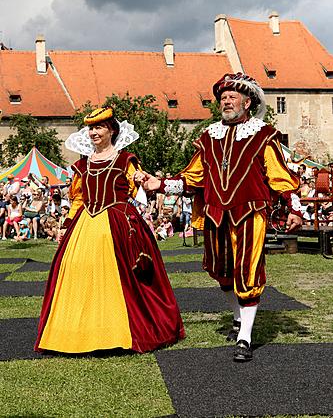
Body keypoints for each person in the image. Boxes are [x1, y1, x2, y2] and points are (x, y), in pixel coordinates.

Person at [137, 73, 302, 362]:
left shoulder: (263, 134)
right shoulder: (208, 136)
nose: (225, 101)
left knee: (248, 273)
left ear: (247, 102)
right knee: (222, 272)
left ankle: (245, 338)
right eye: (222, 98)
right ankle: (238, 317)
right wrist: (159, 184)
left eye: (232, 97)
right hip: (216, 214)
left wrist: (295, 208)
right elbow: (193, 179)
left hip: (250, 212)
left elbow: (279, 176)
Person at [34, 107, 184, 354]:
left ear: (111, 130)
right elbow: (78, 200)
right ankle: (76, 333)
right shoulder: (82, 165)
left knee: (121, 278)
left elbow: (139, 190)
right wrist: (66, 226)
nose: (93, 132)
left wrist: (140, 182)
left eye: (99, 127)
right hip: (85, 226)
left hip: (117, 225)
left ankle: (115, 332)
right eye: (91, 128)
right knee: (78, 270)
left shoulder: (126, 160)